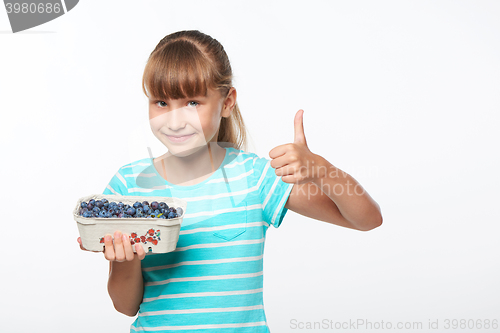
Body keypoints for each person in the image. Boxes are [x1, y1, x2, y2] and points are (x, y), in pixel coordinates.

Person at [77, 30, 382, 332]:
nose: (174, 120)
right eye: (161, 102)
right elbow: (125, 305)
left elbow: (366, 219)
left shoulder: (254, 177)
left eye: (193, 102)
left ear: (226, 102)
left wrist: (322, 170)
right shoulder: (128, 185)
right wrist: (126, 259)